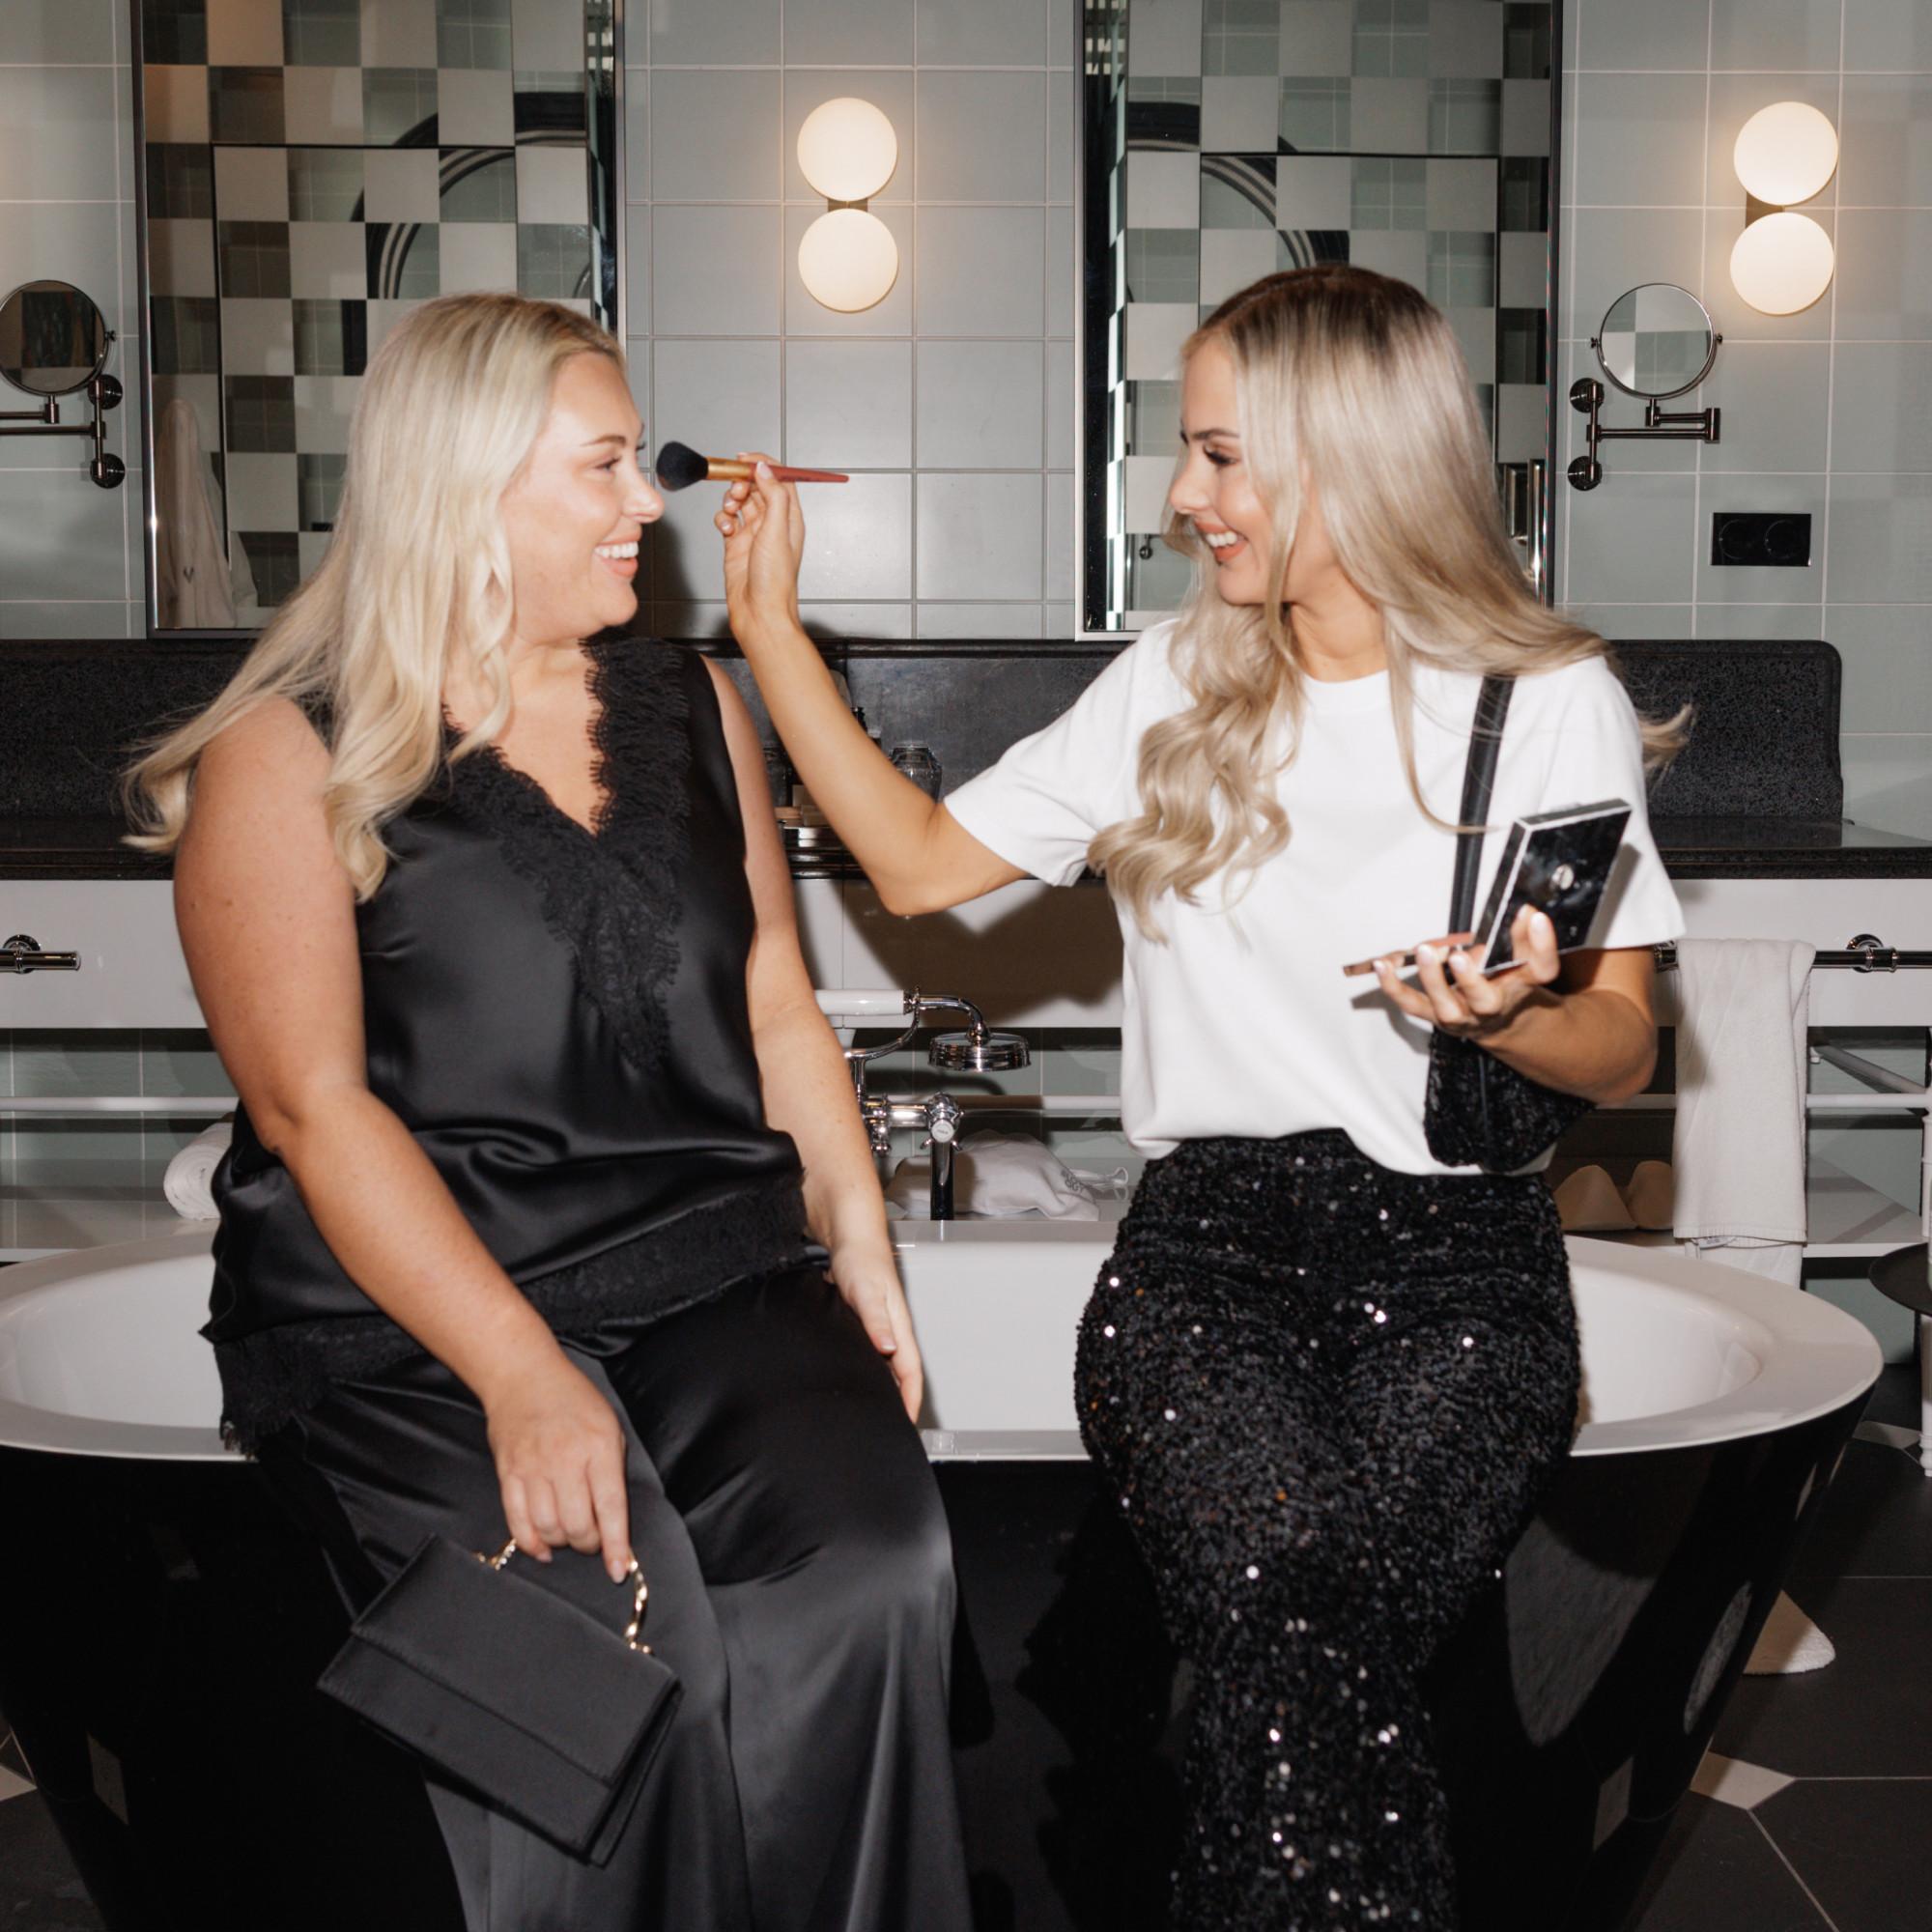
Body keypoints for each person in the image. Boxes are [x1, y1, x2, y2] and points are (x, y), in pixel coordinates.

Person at [713, 265, 1685, 1928]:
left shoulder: (1547, 704)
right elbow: (919, 863)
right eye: (1189, 453)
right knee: (1307, 1622)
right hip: (1206, 1268)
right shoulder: (1176, 686)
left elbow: (1626, 1048)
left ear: (1351, 453)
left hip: (1458, 1273)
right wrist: (768, 635)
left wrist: (1514, 1018)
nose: (1184, 498)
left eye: (1227, 456)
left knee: (1298, 1658)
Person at [126, 293, 971, 1931]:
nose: (643, 503)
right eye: (600, 464)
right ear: (465, 486)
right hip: (412, 1315)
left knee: (874, 1580)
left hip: (706, 1269)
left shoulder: (695, 711)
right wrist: (519, 1376)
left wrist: (858, 1239)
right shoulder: (277, 760)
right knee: (608, 1653)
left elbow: (779, 1007)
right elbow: (311, 1113)